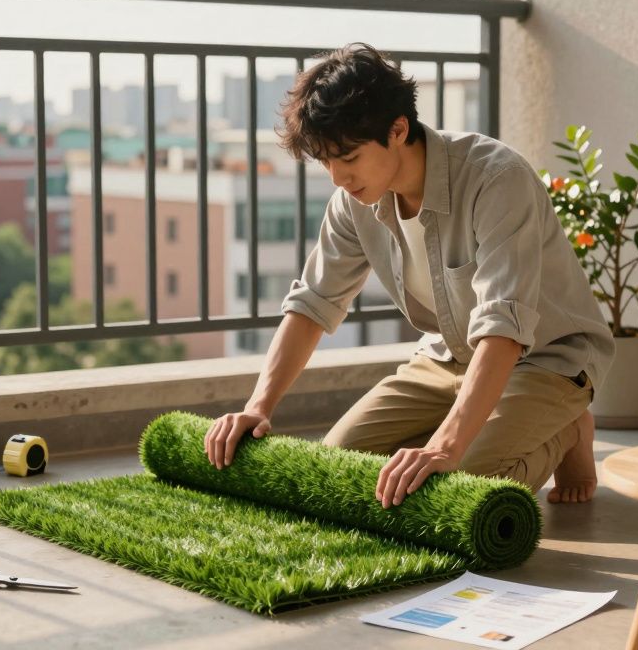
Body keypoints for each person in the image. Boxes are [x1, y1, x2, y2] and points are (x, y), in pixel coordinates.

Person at [203, 43, 614, 506]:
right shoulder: (353, 202)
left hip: (545, 359)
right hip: (446, 357)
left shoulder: (496, 179)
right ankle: (499, 424)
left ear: (397, 129)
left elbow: (503, 327)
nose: (338, 177)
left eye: (349, 157)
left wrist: (445, 445)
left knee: (456, 486)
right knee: (338, 464)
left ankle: (568, 428)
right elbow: (312, 304)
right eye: (325, 161)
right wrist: (258, 407)